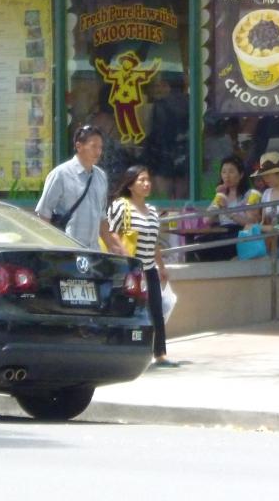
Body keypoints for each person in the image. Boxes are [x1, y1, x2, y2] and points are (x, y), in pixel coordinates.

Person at [109, 164, 176, 367]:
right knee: (128, 309)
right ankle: (120, 349)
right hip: (129, 269)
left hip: (149, 268)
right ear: (130, 184)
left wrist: (161, 267)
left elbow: (154, 242)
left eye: (148, 180)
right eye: (141, 180)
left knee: (156, 311)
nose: (147, 184)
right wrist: (126, 256)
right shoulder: (121, 206)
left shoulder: (153, 211)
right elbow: (111, 233)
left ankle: (160, 353)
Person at [36, 124, 125, 254]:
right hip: (66, 252)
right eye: (93, 146)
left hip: (93, 252)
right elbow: (44, 214)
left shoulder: (101, 176)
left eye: (100, 147)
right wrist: (50, 250)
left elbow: (102, 217)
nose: (98, 152)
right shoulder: (60, 174)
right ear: (79, 146)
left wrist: (111, 246)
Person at [203, 154, 260, 260]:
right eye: (224, 172)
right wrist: (218, 197)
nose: (227, 176)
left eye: (231, 172)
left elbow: (251, 221)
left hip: (239, 232)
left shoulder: (250, 195)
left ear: (241, 174)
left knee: (217, 247)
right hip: (223, 232)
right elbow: (206, 220)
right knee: (200, 243)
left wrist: (228, 212)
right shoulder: (221, 194)